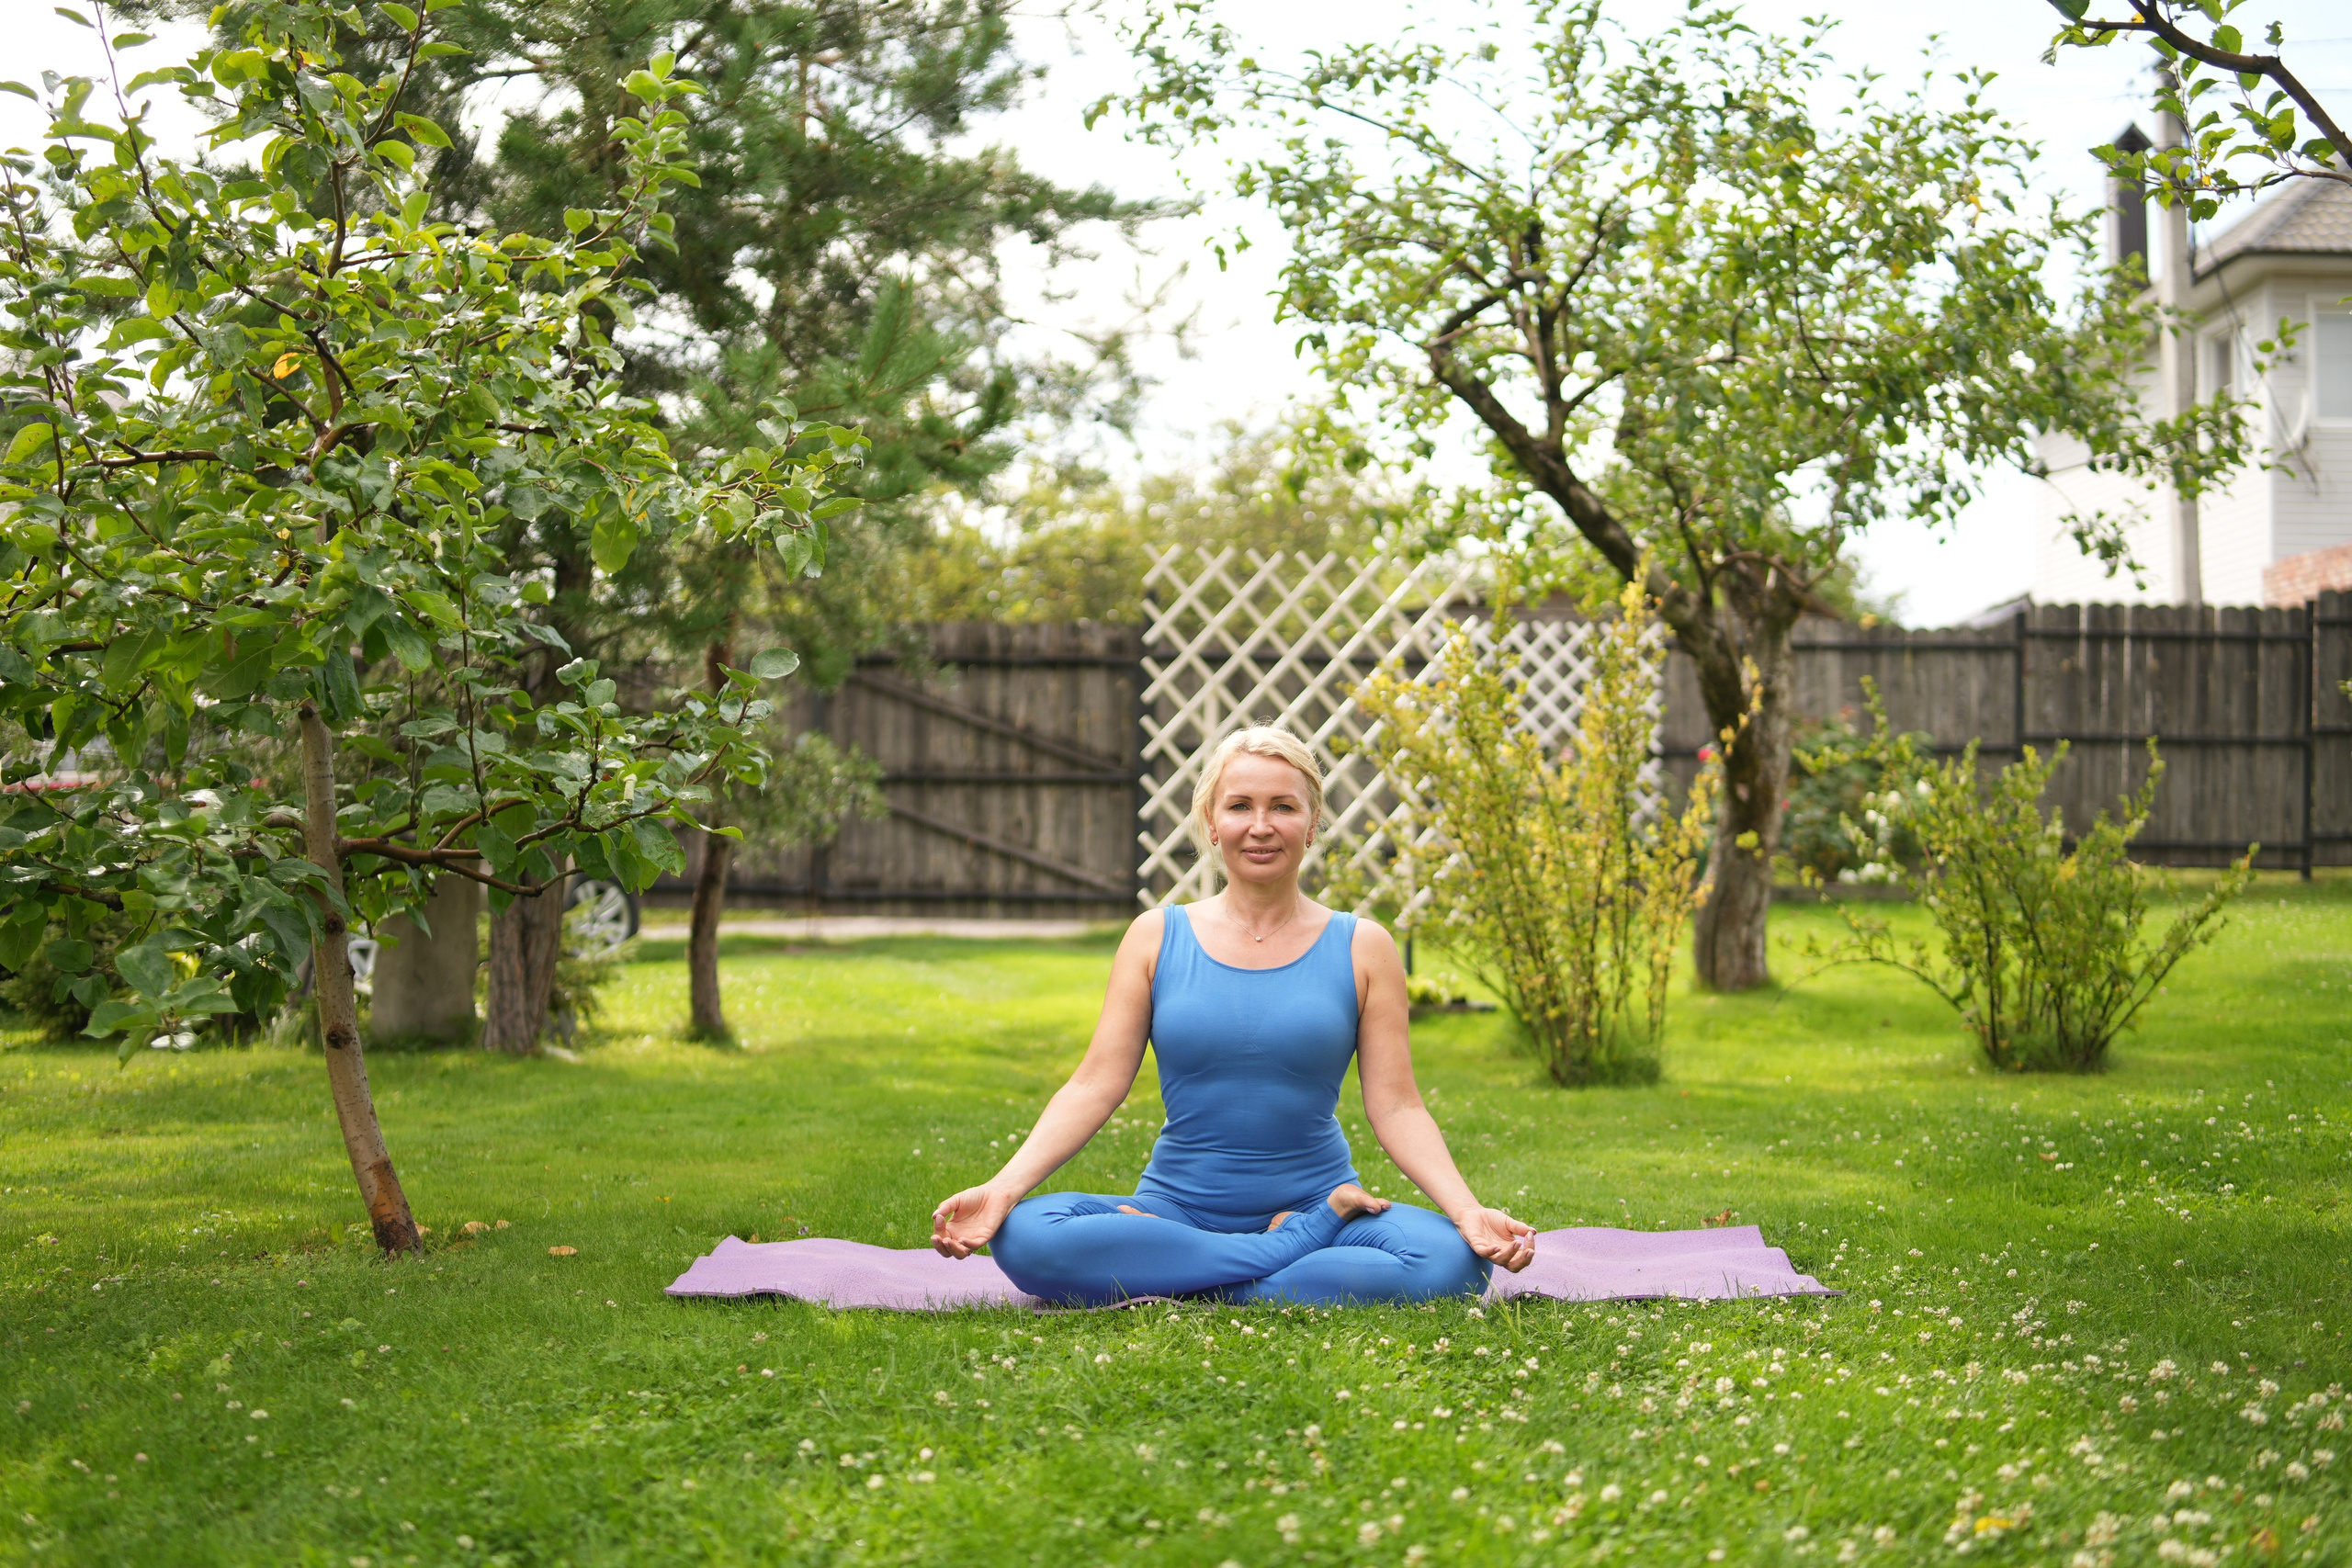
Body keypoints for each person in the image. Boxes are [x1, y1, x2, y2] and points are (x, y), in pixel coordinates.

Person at [929, 723, 1536, 1306]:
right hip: (1175, 1210)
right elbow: (1094, 1083)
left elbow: (1398, 1105)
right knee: (1027, 1233)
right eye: (1241, 805)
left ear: (1314, 821)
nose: (1262, 826)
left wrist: (1466, 1210)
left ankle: (1179, 1272)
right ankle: (1279, 1253)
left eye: (1284, 807)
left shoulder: (1363, 945)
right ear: (1212, 824)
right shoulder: (1155, 936)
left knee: (1452, 1261)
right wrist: (1004, 1189)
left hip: (1315, 1200)